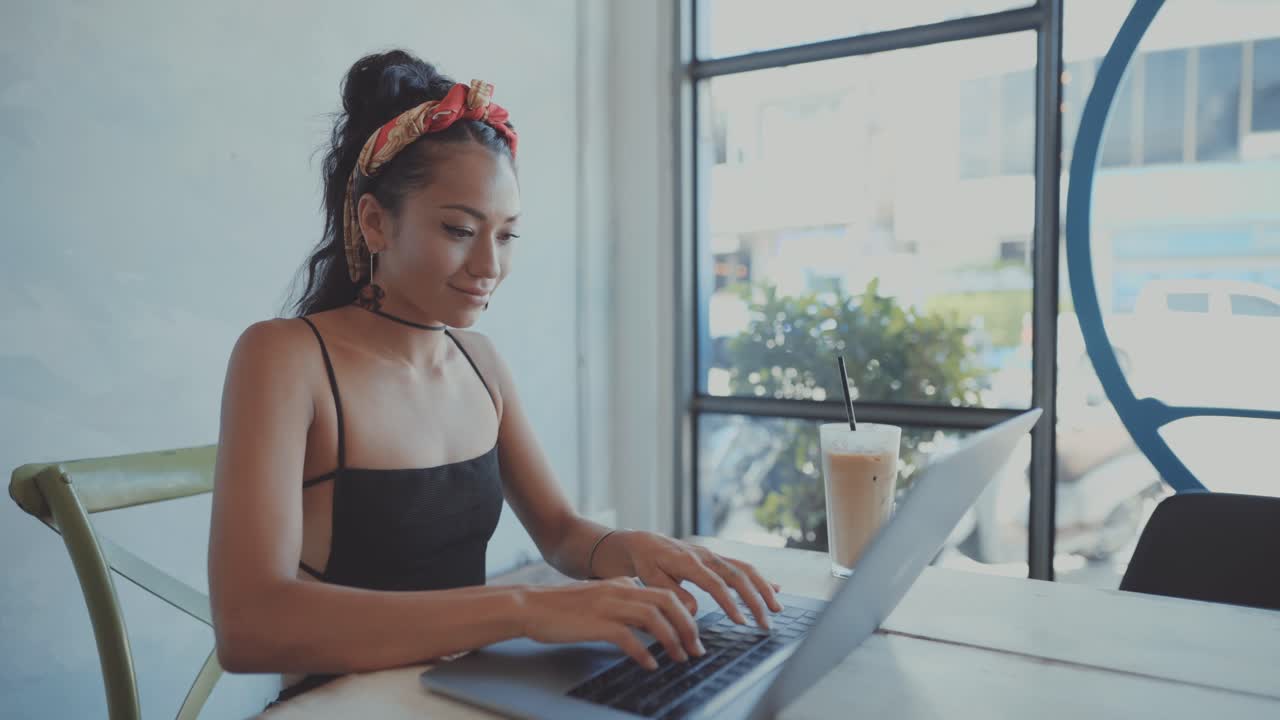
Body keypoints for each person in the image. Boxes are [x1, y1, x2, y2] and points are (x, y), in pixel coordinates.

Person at [207, 49, 783, 705]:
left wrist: (646, 550)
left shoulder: (480, 362)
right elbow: (249, 625)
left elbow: (562, 533)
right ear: (374, 222)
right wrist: (520, 609)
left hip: (466, 696)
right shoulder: (285, 357)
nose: (488, 265)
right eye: (458, 229)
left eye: (506, 236)